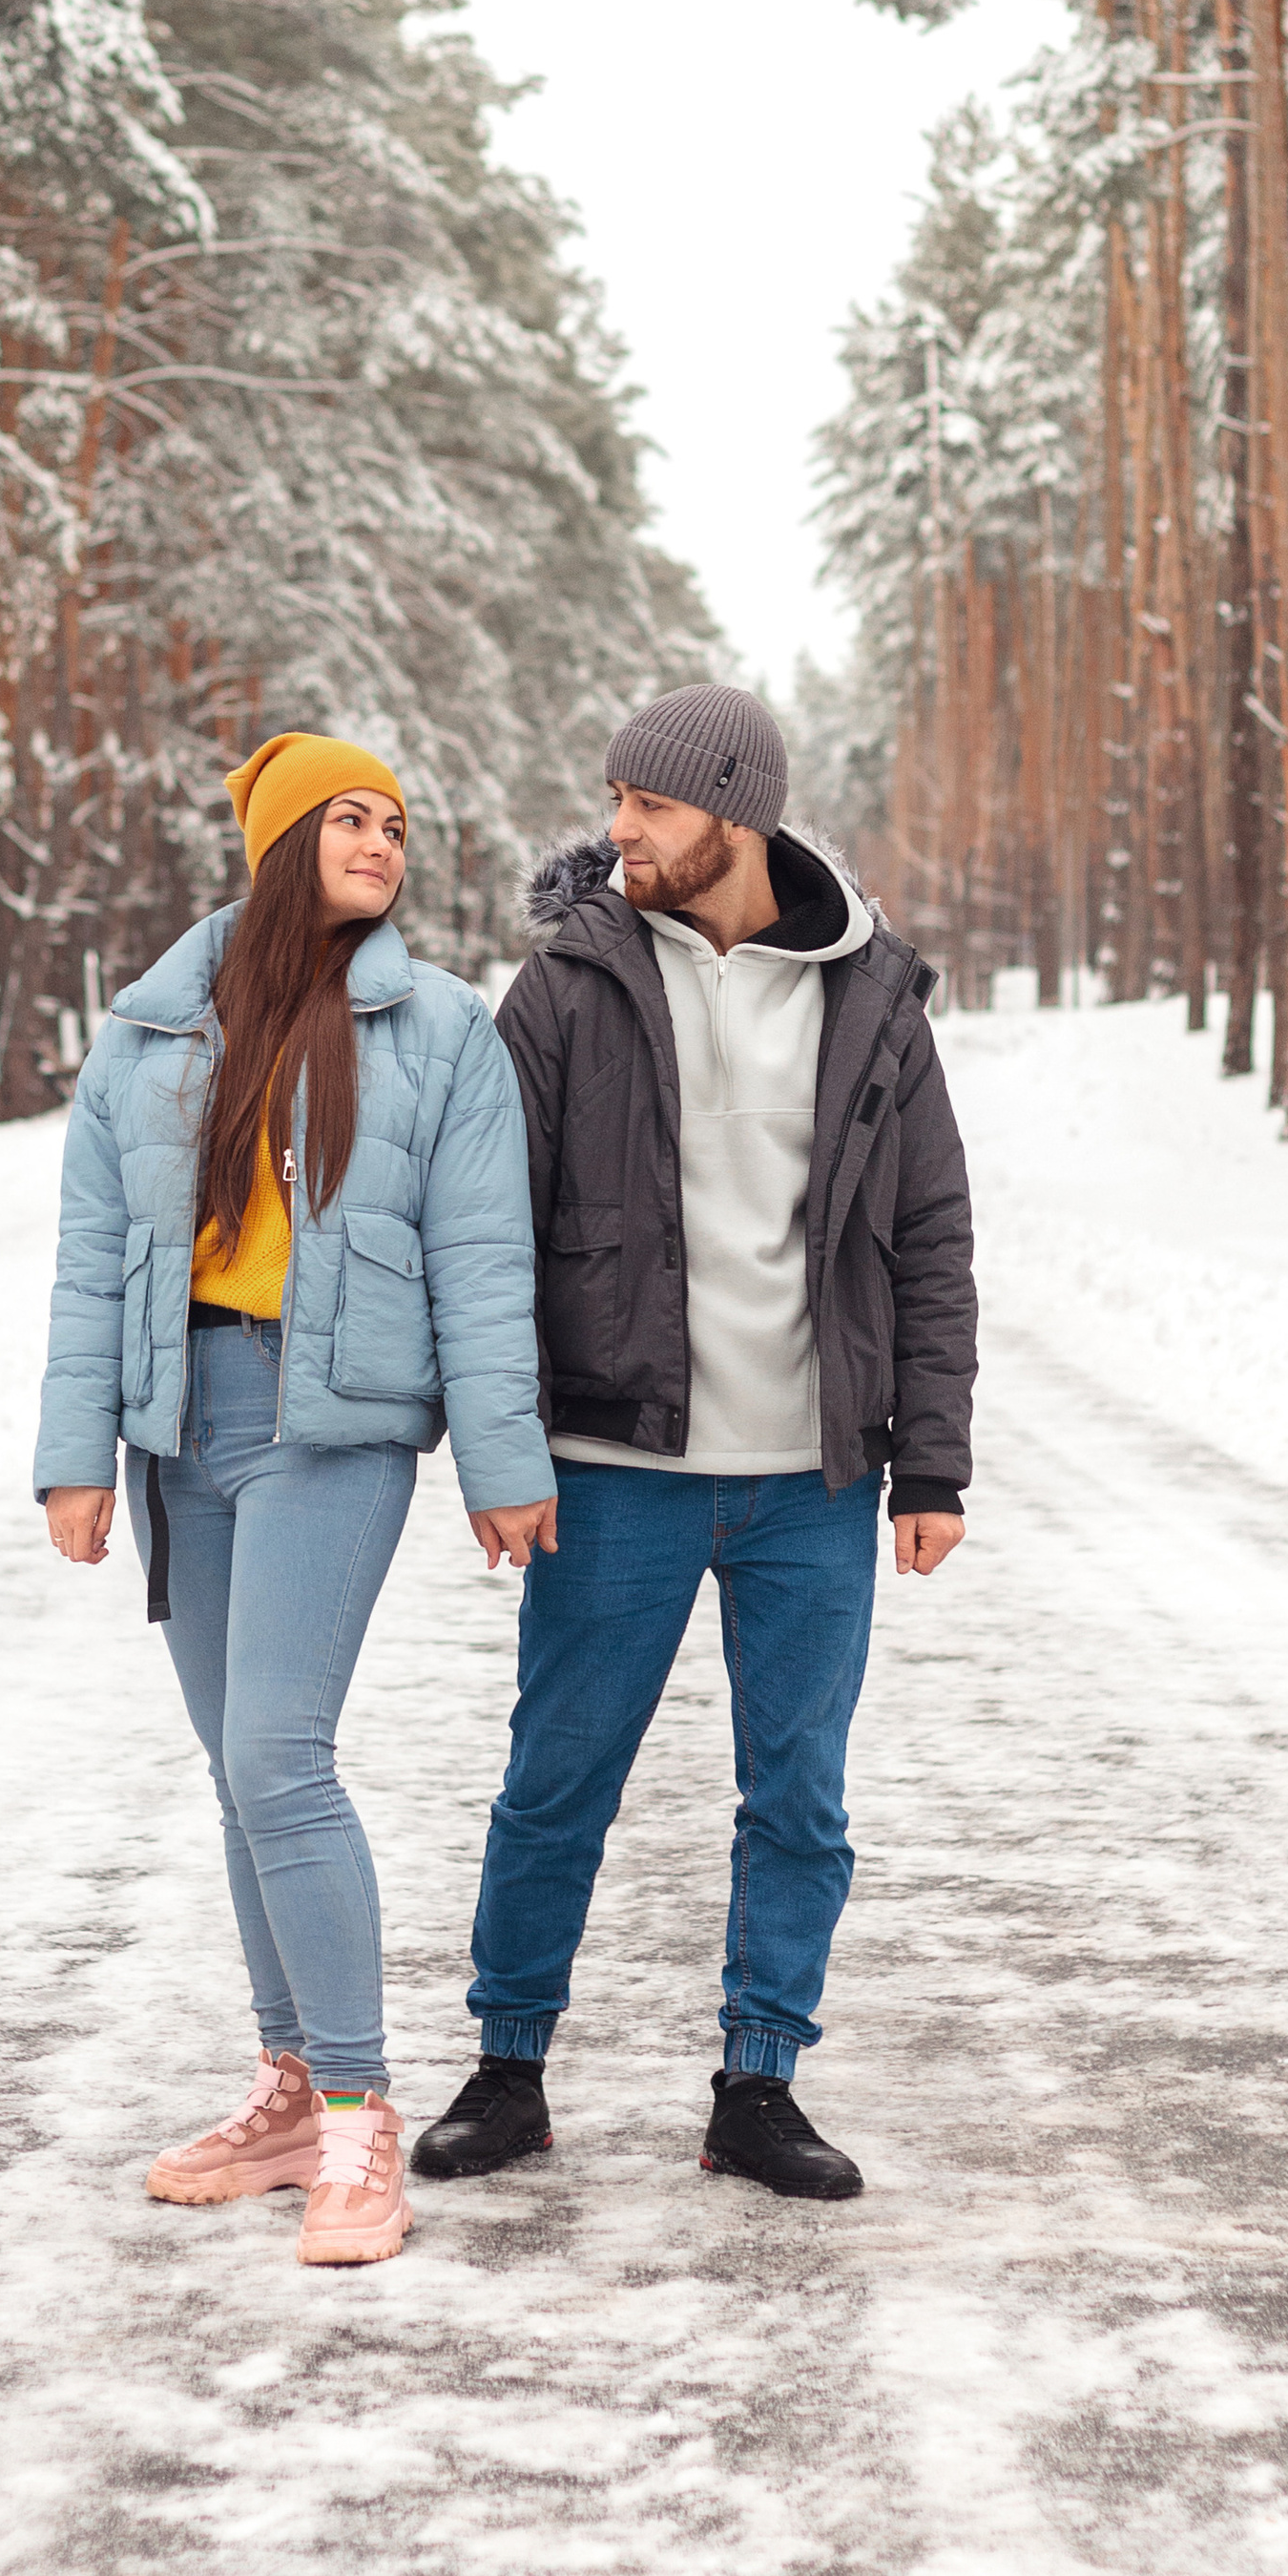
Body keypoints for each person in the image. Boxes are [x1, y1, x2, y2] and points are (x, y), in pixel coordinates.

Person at [413, 682, 977, 2203]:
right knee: (558, 1777)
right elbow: (488, 1238)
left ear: (734, 810)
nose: (619, 830)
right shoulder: (566, 989)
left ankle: (759, 2083)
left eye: (648, 805)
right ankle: (510, 2070)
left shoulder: (873, 999)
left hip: (813, 1481)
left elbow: (930, 1236)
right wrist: (506, 1448)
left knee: (798, 1793)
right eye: (615, 800)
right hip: (615, 1472)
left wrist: (931, 1462)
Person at [34, 730, 552, 2267]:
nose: (385, 842)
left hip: (332, 1428)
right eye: (350, 817)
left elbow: (482, 1256)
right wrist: (78, 1449)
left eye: (399, 823)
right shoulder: (147, 1031)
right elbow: (87, 1259)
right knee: (234, 1773)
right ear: (275, 839)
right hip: (178, 1422)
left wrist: (503, 1462)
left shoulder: (442, 1030)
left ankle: (354, 2119)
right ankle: (278, 2094)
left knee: (280, 1755)